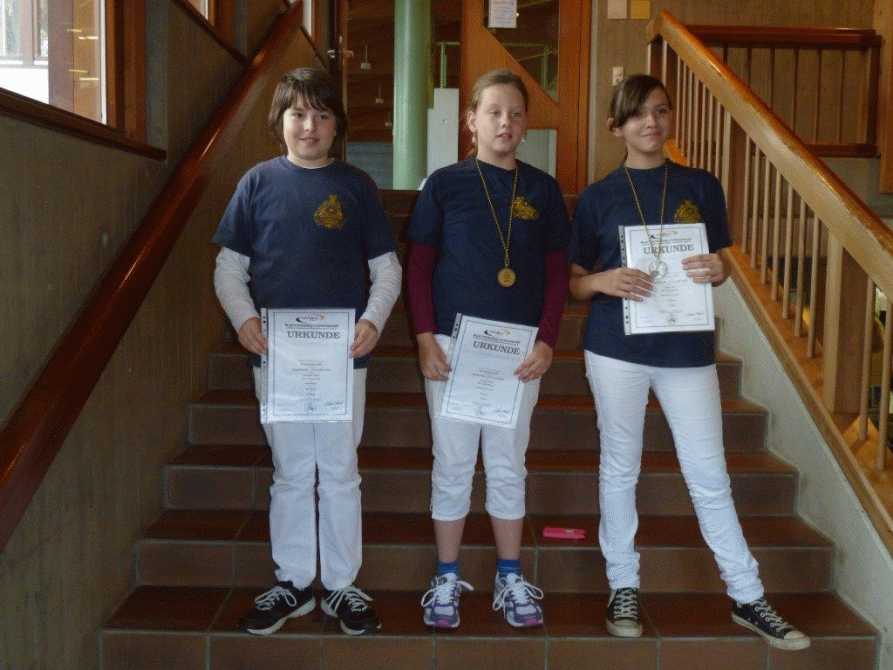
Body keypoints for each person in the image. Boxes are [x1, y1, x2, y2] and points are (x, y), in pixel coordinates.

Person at [568, 74, 810, 651]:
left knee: (709, 475)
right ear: (617, 126)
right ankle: (623, 586)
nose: (650, 123)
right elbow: (574, 282)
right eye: (637, 114)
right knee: (619, 469)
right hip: (616, 349)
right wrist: (603, 280)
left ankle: (747, 595)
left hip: (687, 350)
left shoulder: (700, 185)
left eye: (660, 111)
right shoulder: (598, 196)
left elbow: (718, 263)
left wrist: (720, 270)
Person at [212, 67, 401, 636]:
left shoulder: (356, 186)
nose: (310, 126)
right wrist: (244, 320)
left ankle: (341, 585)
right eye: (298, 114)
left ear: (337, 125)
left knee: (340, 470)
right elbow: (229, 269)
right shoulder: (256, 184)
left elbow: (387, 270)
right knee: (292, 471)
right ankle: (294, 582)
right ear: (280, 121)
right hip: (279, 360)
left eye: (321, 115)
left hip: (343, 360)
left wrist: (372, 321)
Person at [406, 69, 570, 629]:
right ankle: (446, 576)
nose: (506, 122)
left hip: (519, 352)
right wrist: (424, 336)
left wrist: (548, 339)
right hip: (452, 347)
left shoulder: (543, 190)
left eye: (516, 114)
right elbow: (419, 267)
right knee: (452, 462)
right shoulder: (443, 184)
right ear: (470, 120)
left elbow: (556, 275)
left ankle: (509, 575)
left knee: (507, 463)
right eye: (494, 111)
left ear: (525, 125)